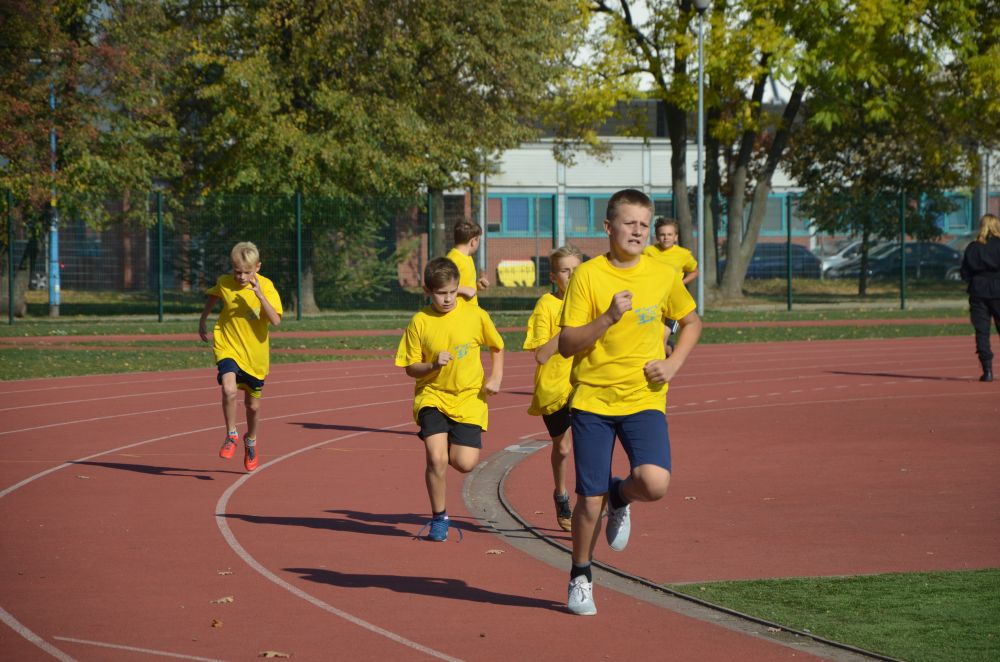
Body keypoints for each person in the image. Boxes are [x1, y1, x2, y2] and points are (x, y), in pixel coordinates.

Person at [558, 189, 702, 615]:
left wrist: (673, 364)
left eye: (644, 223)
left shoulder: (661, 273)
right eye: (629, 223)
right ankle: (580, 574)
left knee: (655, 484)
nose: (638, 231)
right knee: (588, 499)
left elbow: (691, 322)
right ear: (608, 228)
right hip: (593, 398)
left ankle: (621, 495)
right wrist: (607, 319)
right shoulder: (588, 276)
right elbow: (567, 344)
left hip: (644, 397)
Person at [395, 257, 505, 541]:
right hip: (432, 395)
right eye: (441, 293)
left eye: (452, 292)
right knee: (436, 458)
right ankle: (439, 517)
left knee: (465, 462)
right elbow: (410, 367)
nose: (447, 299)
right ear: (427, 291)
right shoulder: (420, 321)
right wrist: (432, 365)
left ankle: (446, 474)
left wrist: (496, 377)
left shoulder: (474, 314)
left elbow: (497, 346)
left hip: (469, 398)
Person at [199, 241, 283, 472]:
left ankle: (251, 440)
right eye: (237, 271)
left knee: (252, 407)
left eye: (247, 272)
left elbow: (275, 320)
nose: (242, 277)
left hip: (255, 354)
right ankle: (231, 434)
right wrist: (203, 319)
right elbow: (214, 296)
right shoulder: (225, 283)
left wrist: (259, 295)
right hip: (228, 345)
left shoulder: (266, 286)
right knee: (229, 389)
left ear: (258, 267)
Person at [523, 245, 584, 532]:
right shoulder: (546, 305)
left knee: (590, 443)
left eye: (576, 269)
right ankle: (561, 494)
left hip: (585, 384)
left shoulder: (591, 302)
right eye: (564, 270)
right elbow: (541, 354)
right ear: (553, 276)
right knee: (563, 447)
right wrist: (569, 330)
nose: (571, 275)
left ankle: (590, 500)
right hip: (554, 386)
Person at [643, 217, 699, 355]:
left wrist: (680, 283)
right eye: (662, 235)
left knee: (661, 337)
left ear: (675, 237)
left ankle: (659, 372)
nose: (666, 238)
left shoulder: (683, 254)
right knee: (653, 339)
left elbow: (694, 271)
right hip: (653, 300)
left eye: (669, 235)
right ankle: (669, 349)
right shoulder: (648, 252)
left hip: (672, 302)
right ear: (656, 236)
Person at [960, 213, 1000, 382]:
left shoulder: (973, 247)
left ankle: (987, 371)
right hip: (998, 289)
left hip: (978, 291)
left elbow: (964, 272)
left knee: (982, 332)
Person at [446, 220, 490, 305]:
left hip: (470, 311)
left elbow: (466, 286)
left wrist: (476, 287)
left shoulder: (468, 258)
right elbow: (441, 287)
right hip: (458, 314)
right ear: (473, 241)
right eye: (478, 240)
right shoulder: (453, 259)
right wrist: (464, 290)